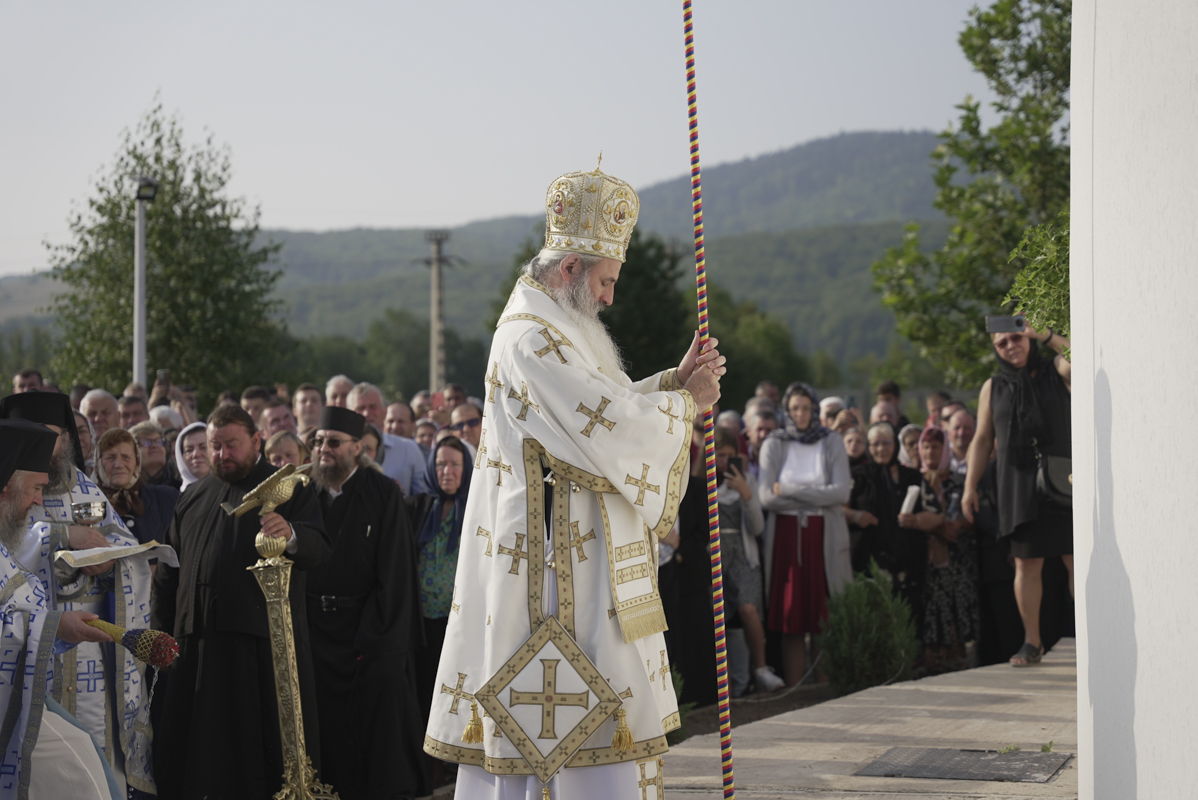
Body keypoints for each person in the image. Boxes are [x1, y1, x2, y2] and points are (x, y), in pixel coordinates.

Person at [426, 164, 724, 797]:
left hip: (580, 564)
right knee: (567, 737)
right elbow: (602, 429)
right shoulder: (530, 339)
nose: (611, 297)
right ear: (569, 270)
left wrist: (671, 384)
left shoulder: (558, 330)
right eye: (606, 279)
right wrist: (685, 405)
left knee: (592, 725)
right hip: (553, 579)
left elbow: (598, 409)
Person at [151, 404, 331, 799]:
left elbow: (318, 548)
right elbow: (168, 574)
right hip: (194, 648)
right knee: (196, 758)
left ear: (256, 441)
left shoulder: (287, 489)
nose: (221, 455)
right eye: (215, 446)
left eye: (231, 445)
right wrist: (160, 633)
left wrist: (290, 534)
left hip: (257, 652)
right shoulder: (194, 497)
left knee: (250, 758)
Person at [1, 392, 165, 796]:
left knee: (89, 755)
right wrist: (62, 536)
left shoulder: (85, 490)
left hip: (79, 648)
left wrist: (111, 561)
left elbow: (127, 555)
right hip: (34, 661)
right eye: (34, 488)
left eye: (55, 437)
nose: (39, 497)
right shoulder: (14, 504)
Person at [307, 407, 427, 799]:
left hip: (366, 635)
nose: (324, 449)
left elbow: (394, 574)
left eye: (334, 442)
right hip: (314, 634)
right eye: (319, 441)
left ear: (357, 448)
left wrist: (374, 640)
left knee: (380, 719)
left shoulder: (383, 492)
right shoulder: (303, 492)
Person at [962, 322, 1073, 667]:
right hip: (1018, 484)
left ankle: (1095, 630)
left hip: (1062, 480)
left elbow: (1081, 359)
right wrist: (970, 485)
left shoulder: (1055, 370)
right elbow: (982, 439)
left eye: (1016, 338)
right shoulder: (992, 386)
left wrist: (1048, 336)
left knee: (1076, 559)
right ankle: (1032, 641)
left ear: (1028, 338)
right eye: (1001, 343)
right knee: (1026, 563)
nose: (1010, 346)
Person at [758, 382, 852, 686]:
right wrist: (815, 494)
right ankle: (797, 688)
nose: (800, 414)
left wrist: (788, 489)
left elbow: (839, 493)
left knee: (825, 615)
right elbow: (766, 497)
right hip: (786, 537)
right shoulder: (775, 443)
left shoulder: (832, 441)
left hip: (822, 535)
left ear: (815, 409)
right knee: (792, 617)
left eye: (806, 408)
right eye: (795, 408)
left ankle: (823, 685)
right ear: (787, 409)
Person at [406, 436, 472, 786]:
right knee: (424, 696)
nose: (447, 471)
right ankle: (428, 776)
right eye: (441, 464)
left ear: (466, 469)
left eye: (454, 465)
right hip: (422, 622)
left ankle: (457, 775)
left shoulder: (476, 508)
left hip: (457, 624)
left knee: (454, 696)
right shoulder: (420, 508)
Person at [845, 422, 939, 629]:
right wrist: (854, 515)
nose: (880, 449)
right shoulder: (858, 476)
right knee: (873, 623)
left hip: (909, 563)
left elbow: (936, 514)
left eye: (886, 443)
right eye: (874, 444)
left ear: (896, 444)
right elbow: (837, 511)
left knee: (908, 622)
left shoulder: (912, 477)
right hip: (868, 562)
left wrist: (917, 520)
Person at [711, 427, 781, 693]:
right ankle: (730, 682)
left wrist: (745, 493)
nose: (725, 461)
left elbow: (758, 527)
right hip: (713, 555)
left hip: (742, 553)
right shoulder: (699, 480)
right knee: (720, 617)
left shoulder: (746, 481)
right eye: (719, 455)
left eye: (730, 455)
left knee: (748, 609)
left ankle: (761, 668)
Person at [917, 426, 978, 673]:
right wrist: (936, 527)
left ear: (945, 450)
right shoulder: (915, 481)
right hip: (927, 561)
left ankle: (958, 663)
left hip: (958, 560)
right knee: (931, 611)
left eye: (936, 446)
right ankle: (931, 664)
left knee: (956, 610)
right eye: (926, 446)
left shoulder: (960, 481)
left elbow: (975, 516)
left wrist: (959, 524)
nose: (931, 452)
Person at [96, 427, 180, 547]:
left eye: (126, 457)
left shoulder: (167, 497)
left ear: (137, 461)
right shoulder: (86, 500)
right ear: (98, 462)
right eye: (110, 457)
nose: (119, 465)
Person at [349, 382, 427, 496]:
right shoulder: (339, 449)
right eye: (360, 408)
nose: (366, 413)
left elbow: (423, 499)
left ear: (385, 412)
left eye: (373, 407)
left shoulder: (409, 449)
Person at [130, 420, 182, 489]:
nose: (154, 445)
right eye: (146, 442)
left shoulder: (181, 489)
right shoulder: (127, 493)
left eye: (158, 441)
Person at [175, 421, 210, 491]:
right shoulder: (176, 498)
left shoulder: (230, 491)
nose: (196, 454)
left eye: (203, 447)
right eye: (189, 450)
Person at [743, 408, 776, 480]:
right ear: (749, 431)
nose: (763, 435)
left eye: (769, 430)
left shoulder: (783, 460)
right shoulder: (741, 459)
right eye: (759, 429)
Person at [946, 408, 976, 475]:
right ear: (948, 431)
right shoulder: (940, 458)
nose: (961, 433)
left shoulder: (983, 460)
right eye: (956, 428)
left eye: (967, 428)